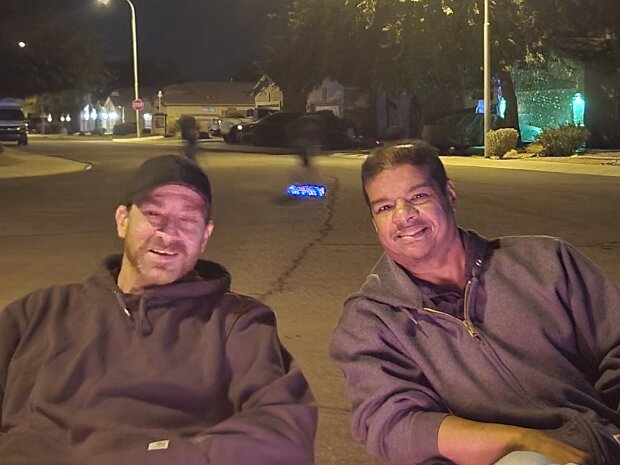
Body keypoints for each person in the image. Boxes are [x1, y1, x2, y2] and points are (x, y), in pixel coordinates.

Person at [0, 154, 317, 465]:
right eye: (153, 214)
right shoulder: (37, 313)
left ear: (205, 236)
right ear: (123, 220)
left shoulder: (236, 325)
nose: (168, 234)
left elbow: (283, 434)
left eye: (188, 220)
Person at [329, 141, 620, 465]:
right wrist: (523, 440)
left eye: (418, 197)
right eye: (384, 207)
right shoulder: (372, 321)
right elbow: (392, 425)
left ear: (449, 194)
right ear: (374, 221)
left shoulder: (548, 262)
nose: (403, 216)